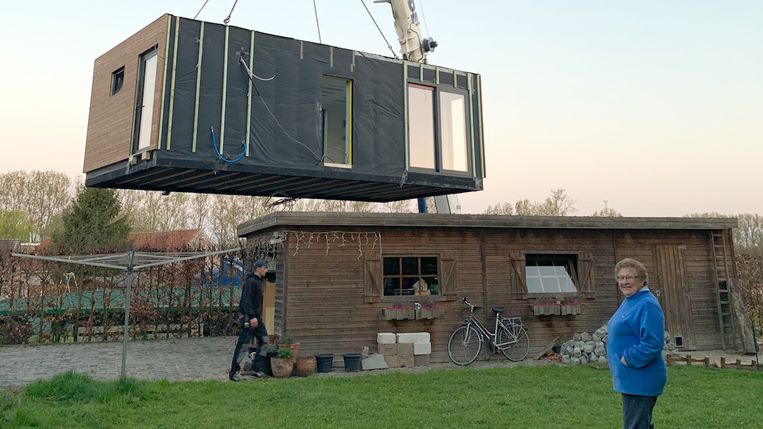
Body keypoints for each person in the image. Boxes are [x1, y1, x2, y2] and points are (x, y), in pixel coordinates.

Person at [607, 258, 667, 429]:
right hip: (630, 379)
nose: (624, 282)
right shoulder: (631, 300)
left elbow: (652, 344)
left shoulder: (647, 304)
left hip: (641, 378)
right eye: (620, 277)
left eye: (629, 277)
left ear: (642, 279)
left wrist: (627, 359)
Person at [229, 259, 269, 381]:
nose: (266, 270)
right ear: (258, 268)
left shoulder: (258, 281)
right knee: (243, 344)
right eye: (264, 268)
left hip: (257, 318)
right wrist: (251, 317)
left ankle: (256, 368)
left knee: (265, 340)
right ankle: (234, 372)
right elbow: (246, 301)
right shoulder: (251, 282)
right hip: (249, 318)